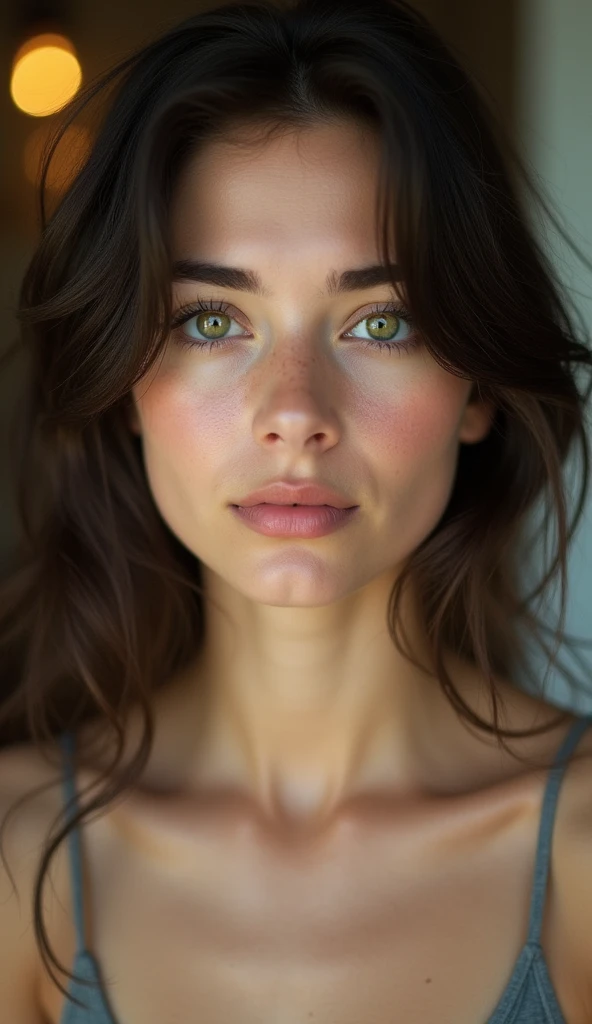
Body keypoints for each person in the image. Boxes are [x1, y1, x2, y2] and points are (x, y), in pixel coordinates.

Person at [1, 0, 592, 1020]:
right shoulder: (16, 853)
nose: (293, 414)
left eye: (379, 321)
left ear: (478, 389)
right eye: (212, 319)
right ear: (123, 386)